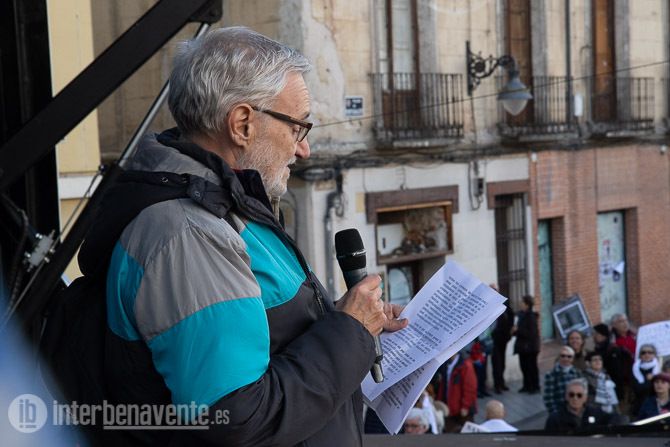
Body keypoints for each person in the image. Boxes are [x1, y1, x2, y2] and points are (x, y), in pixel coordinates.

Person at [92, 27, 408, 446]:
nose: (304, 149)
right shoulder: (189, 234)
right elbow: (237, 418)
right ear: (242, 124)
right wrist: (349, 332)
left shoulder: (226, 206)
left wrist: (350, 319)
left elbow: (258, 331)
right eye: (298, 127)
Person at [545, 378, 614, 432]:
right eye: (571, 395)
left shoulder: (596, 413)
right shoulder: (555, 419)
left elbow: (614, 418)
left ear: (585, 398)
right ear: (566, 396)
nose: (575, 398)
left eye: (579, 395)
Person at [592, 323, 632, 407]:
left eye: (596, 333)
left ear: (603, 336)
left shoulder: (612, 350)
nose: (593, 336)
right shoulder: (599, 349)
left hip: (616, 390)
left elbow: (617, 373)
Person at [439, 351, 478, 433]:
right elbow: (443, 385)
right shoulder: (446, 363)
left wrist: (465, 406)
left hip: (461, 410)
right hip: (449, 407)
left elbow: (470, 388)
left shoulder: (466, 365)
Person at [543, 346, 582, 414]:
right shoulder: (551, 375)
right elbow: (548, 398)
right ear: (559, 357)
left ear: (573, 359)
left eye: (569, 356)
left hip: (576, 411)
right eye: (563, 356)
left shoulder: (577, 372)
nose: (566, 359)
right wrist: (555, 414)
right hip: (560, 412)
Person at [513, 295, 540, 393]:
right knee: (524, 367)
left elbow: (531, 333)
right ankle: (526, 385)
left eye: (522, 302)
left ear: (527, 304)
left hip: (530, 348)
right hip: (523, 347)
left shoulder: (531, 316)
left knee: (531, 367)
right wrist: (514, 331)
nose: (520, 304)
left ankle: (535, 387)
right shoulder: (521, 315)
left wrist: (517, 330)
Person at [491, 297, 515, 394]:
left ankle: (501, 383)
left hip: (503, 339)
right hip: (494, 341)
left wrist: (509, 331)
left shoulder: (504, 304)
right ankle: (497, 385)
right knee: (497, 364)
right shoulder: (491, 307)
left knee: (502, 363)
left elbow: (511, 315)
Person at [631, 343, 662, 416]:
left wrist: (653, 378)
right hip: (640, 406)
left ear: (654, 354)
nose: (647, 354)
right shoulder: (635, 369)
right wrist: (648, 380)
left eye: (650, 352)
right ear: (640, 355)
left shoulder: (659, 369)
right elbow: (637, 389)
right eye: (643, 352)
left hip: (657, 406)